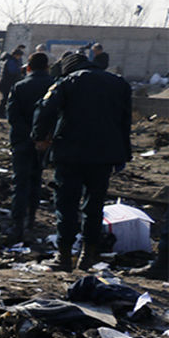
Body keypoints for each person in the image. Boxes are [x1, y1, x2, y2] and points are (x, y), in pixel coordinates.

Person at [33, 51, 132, 271]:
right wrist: (124, 153)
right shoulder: (119, 83)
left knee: (67, 205)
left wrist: (40, 137)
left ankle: (64, 256)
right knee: (94, 205)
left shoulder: (67, 81)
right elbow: (126, 120)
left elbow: (45, 109)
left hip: (70, 154)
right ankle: (88, 255)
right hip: (104, 155)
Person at [5, 51, 52, 244]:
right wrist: (41, 137)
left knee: (20, 182)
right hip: (44, 143)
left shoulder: (19, 86)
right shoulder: (55, 86)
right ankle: (31, 220)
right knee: (35, 180)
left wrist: (28, 135)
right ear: (47, 67)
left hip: (22, 142)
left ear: (29, 67)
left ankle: (17, 224)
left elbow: (12, 117)